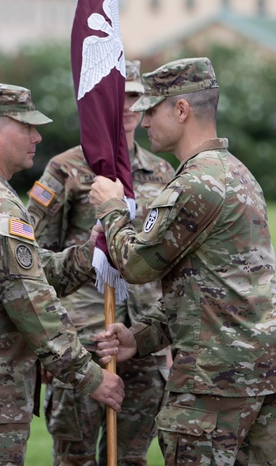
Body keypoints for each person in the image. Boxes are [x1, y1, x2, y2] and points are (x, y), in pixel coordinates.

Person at [91, 57, 276, 466]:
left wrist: (112, 209)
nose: (143, 120)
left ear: (182, 110)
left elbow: (137, 266)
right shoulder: (236, 172)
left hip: (217, 382)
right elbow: (209, 288)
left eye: (151, 110)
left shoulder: (195, 184)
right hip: (265, 371)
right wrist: (142, 338)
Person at [0, 81, 124, 466]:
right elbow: (33, 305)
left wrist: (90, 255)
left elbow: (27, 271)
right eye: (26, 126)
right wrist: (91, 376)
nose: (37, 135)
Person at [26, 61, 174, 466]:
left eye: (134, 97)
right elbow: (32, 260)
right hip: (82, 341)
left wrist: (169, 340)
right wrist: (47, 347)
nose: (126, 107)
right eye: (117, 97)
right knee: (74, 458)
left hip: (143, 340)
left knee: (131, 458)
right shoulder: (66, 168)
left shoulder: (162, 172)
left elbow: (171, 262)